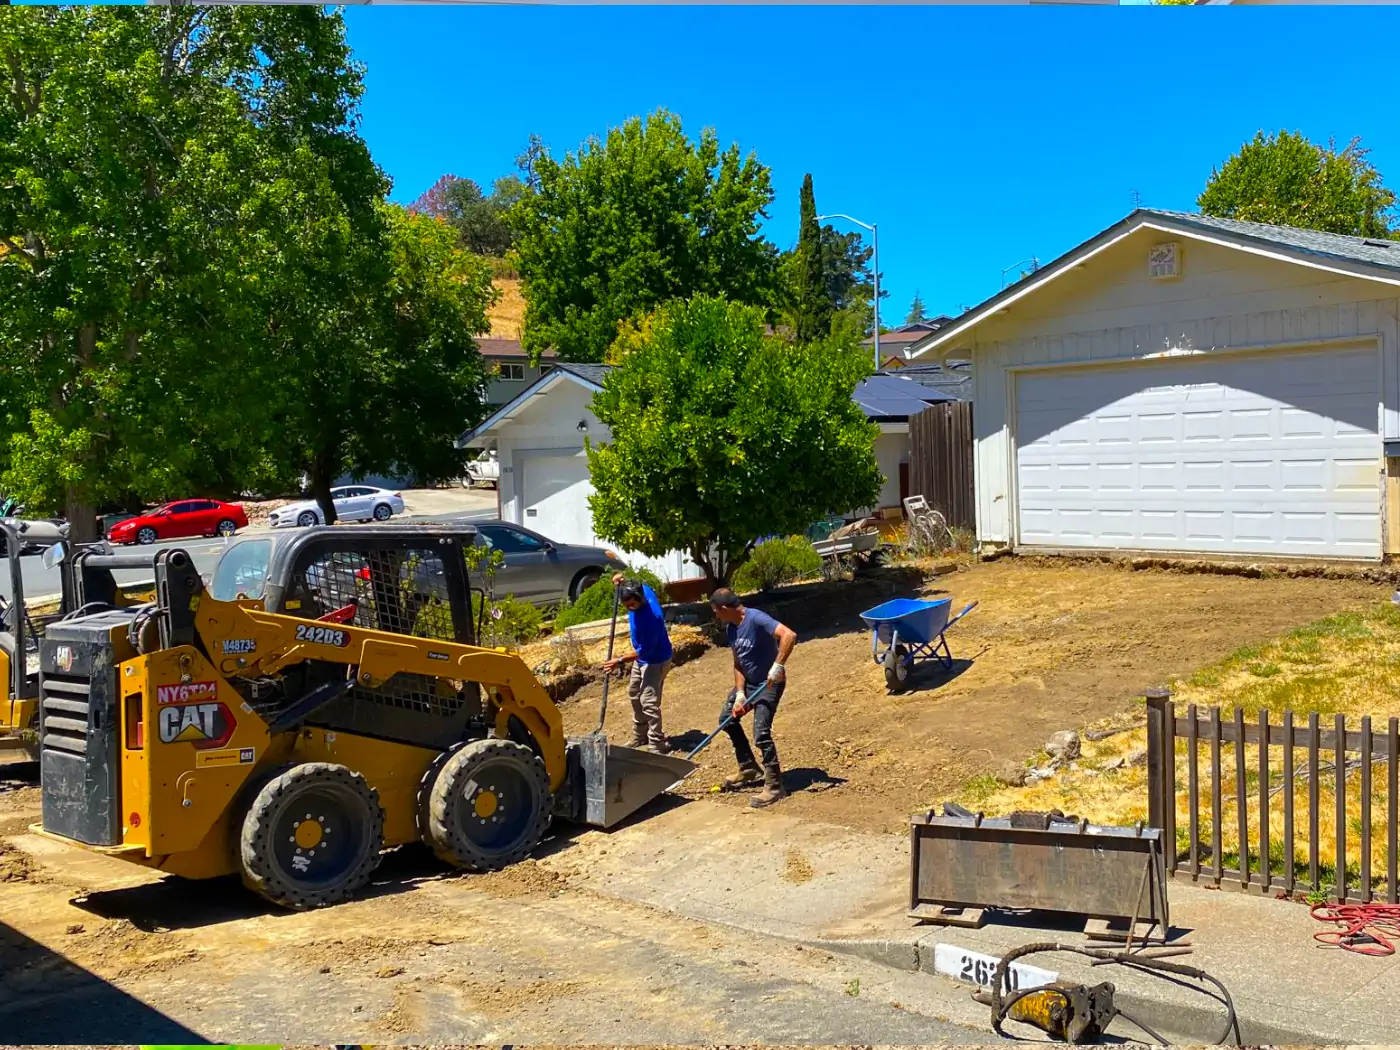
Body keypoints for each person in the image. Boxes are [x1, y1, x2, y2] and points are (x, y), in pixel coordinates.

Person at [708, 587, 798, 809]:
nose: (716, 616)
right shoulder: (731, 629)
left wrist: (777, 666)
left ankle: (775, 787)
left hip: (769, 683)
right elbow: (738, 663)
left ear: (726, 608)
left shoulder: (756, 618)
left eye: (717, 612)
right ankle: (748, 767)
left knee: (761, 733)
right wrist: (740, 694)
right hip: (749, 684)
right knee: (727, 719)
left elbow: (789, 635)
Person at [603, 573, 674, 753]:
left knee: (648, 701)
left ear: (641, 598)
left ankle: (657, 743)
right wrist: (619, 582)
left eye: (633, 605)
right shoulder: (642, 591)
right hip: (642, 659)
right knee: (634, 694)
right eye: (627, 606)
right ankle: (640, 734)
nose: (630, 608)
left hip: (656, 659)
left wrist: (618, 661)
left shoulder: (652, 618)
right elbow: (635, 583)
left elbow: (645, 650)